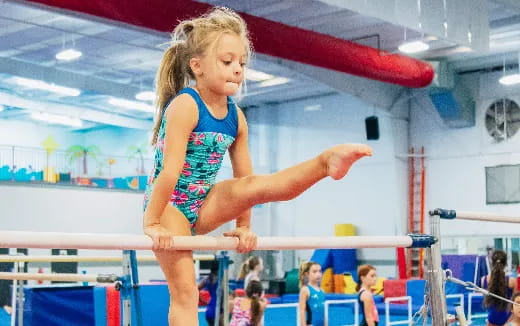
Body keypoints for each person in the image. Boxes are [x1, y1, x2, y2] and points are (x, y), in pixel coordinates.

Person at [142, 7, 372, 325]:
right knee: (186, 293)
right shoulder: (185, 105)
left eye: (241, 63)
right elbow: (169, 172)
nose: (237, 69)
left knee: (257, 185)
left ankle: (323, 163)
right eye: (227, 61)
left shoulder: (235, 117)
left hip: (203, 201)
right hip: (168, 204)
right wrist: (152, 222)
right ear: (197, 66)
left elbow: (246, 182)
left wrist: (243, 227)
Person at [481, 250, 517, 326]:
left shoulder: (483, 280)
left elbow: (487, 302)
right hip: (509, 320)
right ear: (505, 263)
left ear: (492, 263)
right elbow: (515, 304)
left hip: (492, 319)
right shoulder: (512, 281)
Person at [298, 261, 326, 326]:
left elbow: (324, 312)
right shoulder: (305, 290)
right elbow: (301, 311)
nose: (318, 274)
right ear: (307, 274)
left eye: (320, 271)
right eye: (314, 272)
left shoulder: (322, 291)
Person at [198, 261, 222, 326]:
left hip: (209, 310)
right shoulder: (221, 279)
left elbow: (196, 290)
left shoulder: (207, 279)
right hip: (217, 310)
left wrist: (201, 300)